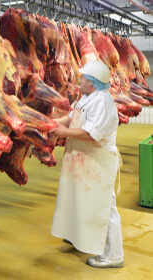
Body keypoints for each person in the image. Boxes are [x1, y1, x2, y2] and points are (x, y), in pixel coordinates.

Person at [51, 60, 124, 268]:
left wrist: (63, 133)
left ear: (92, 83)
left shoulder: (102, 102)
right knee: (79, 199)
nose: (79, 80)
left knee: (104, 206)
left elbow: (93, 134)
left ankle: (114, 255)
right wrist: (50, 124)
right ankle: (80, 238)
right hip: (83, 158)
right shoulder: (87, 97)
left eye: (82, 78)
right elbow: (71, 116)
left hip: (98, 160)